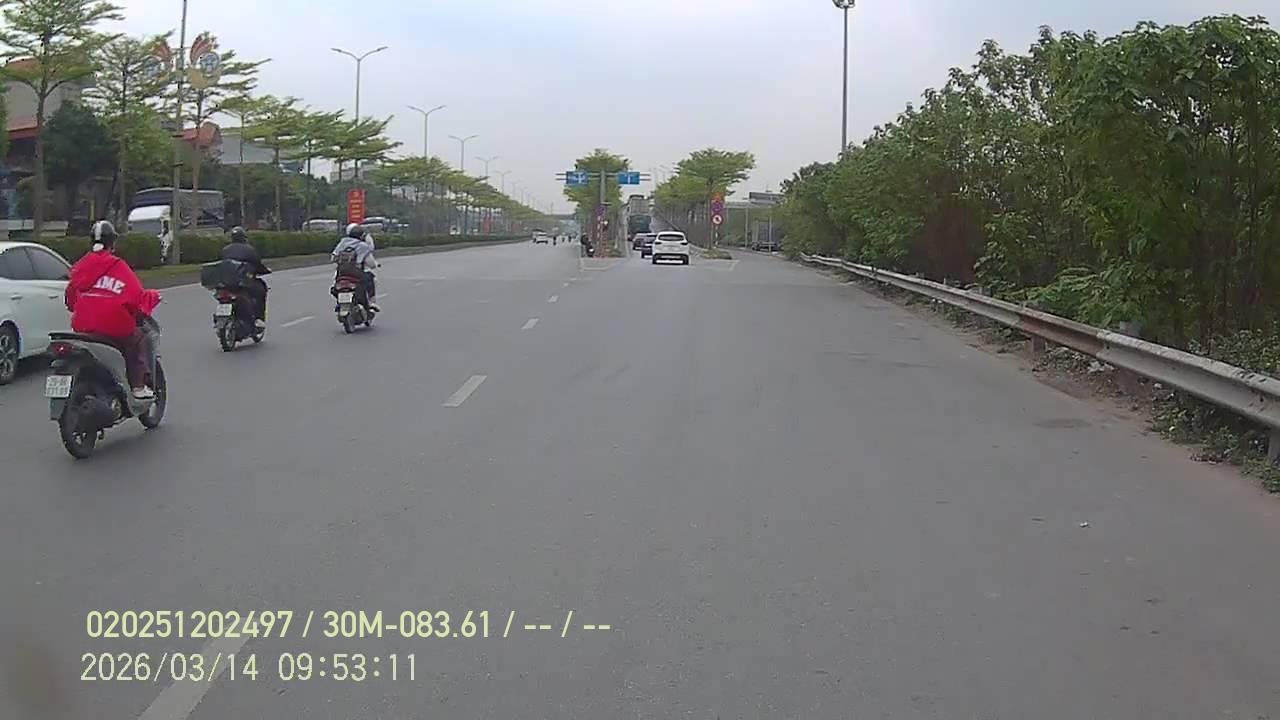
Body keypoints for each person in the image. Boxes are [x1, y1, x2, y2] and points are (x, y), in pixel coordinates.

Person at [64, 221, 162, 400]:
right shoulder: (117, 266)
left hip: (82, 328)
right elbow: (136, 298)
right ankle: (138, 386)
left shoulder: (81, 266)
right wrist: (153, 297)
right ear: (112, 243)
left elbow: (70, 299)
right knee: (137, 339)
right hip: (114, 328)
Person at [219, 226, 270, 328]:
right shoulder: (249, 249)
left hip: (227, 282)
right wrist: (265, 270)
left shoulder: (225, 250)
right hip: (243, 283)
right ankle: (258, 318)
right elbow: (257, 264)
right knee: (261, 289)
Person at [331, 223, 381, 312]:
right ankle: (371, 302)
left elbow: (333, 258)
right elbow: (371, 264)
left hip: (341, 273)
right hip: (356, 273)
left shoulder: (342, 243)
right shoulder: (363, 246)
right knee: (370, 278)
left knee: (336, 284)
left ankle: (339, 303)